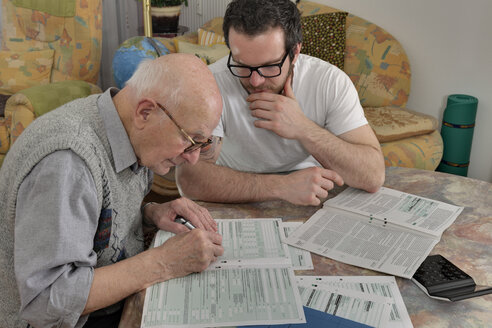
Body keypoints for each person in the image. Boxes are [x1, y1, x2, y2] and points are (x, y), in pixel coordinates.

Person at [0, 54, 224, 328]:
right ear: (145, 112)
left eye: (204, 144)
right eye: (191, 141)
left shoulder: (128, 128)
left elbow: (92, 219)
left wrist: (150, 214)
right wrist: (164, 262)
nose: (193, 158)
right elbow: (46, 300)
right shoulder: (68, 162)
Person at [177, 0, 385, 206]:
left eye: (269, 67)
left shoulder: (329, 82)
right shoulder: (209, 85)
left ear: (294, 52)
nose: (255, 81)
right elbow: (189, 179)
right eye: (242, 65)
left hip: (307, 194)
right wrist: (281, 186)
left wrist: (303, 128)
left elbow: (373, 176)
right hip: (230, 195)